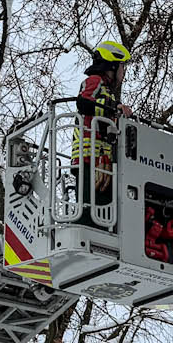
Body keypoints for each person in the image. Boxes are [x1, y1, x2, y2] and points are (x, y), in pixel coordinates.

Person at [74, 40, 132, 214]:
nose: (123, 72)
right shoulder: (94, 81)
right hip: (88, 159)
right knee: (90, 211)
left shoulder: (107, 92)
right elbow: (84, 102)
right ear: (112, 65)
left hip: (101, 161)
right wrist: (114, 107)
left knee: (103, 210)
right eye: (122, 66)